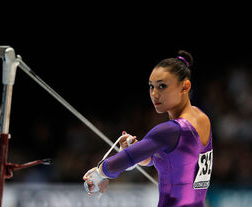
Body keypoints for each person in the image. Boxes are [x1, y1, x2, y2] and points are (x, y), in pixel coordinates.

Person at [83, 50, 213, 207]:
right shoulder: (202, 118)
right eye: (152, 86)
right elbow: (165, 160)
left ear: (185, 87)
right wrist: (137, 151)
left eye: (162, 86)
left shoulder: (170, 131)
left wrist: (99, 173)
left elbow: (114, 164)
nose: (154, 94)